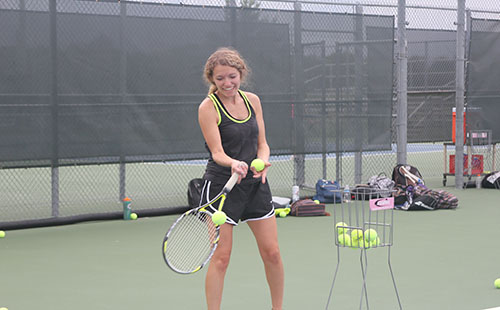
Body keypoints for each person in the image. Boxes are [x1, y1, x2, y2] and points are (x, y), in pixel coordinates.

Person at [198, 47, 284, 310]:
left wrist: (264, 162)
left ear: (241, 74)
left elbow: (263, 144)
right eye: (220, 78)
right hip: (222, 188)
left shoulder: (253, 101)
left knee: (273, 253)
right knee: (221, 258)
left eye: (232, 76)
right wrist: (234, 163)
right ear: (212, 79)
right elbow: (217, 153)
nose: (227, 83)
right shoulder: (207, 107)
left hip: (255, 186)